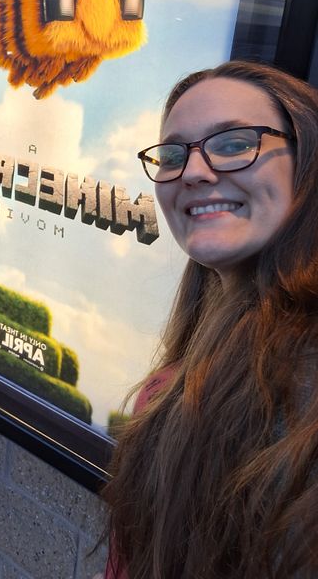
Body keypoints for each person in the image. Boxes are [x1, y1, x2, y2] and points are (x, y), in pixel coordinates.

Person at [102, 60, 318, 579]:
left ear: (307, 162)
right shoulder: (188, 373)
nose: (194, 171)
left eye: (234, 143)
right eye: (173, 154)